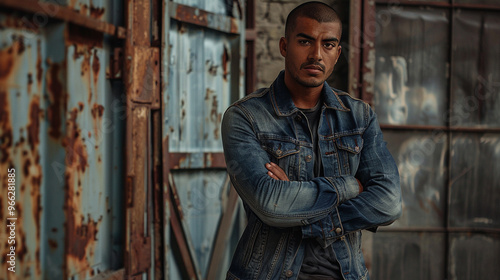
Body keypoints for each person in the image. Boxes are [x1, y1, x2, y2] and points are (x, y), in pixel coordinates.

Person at [221, 2, 402, 279]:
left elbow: (388, 202)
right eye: (305, 41)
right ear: (284, 46)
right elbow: (271, 203)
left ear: (338, 53)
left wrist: (301, 204)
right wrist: (350, 185)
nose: (316, 54)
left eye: (328, 45)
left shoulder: (359, 116)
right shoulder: (246, 117)